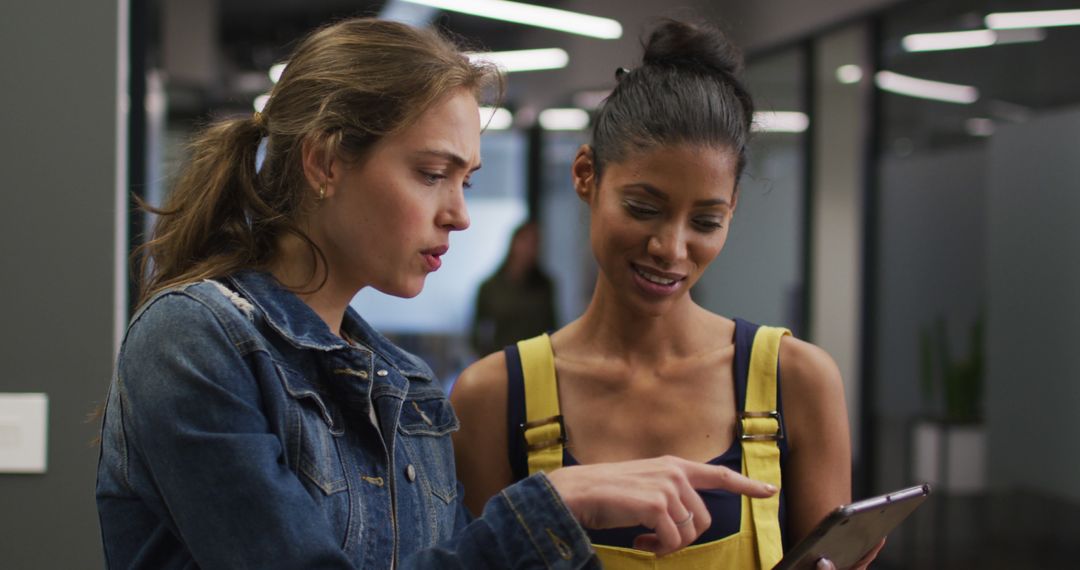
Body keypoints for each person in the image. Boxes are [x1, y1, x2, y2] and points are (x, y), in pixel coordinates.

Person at [94, 17, 778, 569]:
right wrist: (550, 506)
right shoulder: (195, 342)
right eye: (431, 174)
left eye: (467, 181)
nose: (459, 214)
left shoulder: (405, 386)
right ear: (326, 161)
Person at [450, 19, 883, 569]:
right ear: (586, 175)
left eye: (706, 220)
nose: (671, 248)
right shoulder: (492, 398)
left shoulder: (796, 381)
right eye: (643, 207)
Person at [470, 220, 558, 357]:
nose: (530, 250)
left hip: (536, 360)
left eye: (535, 244)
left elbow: (552, 328)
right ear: (514, 243)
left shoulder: (545, 285)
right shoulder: (490, 287)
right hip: (501, 361)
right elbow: (477, 333)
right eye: (526, 242)